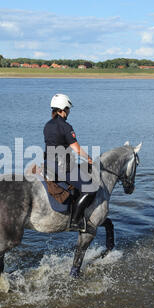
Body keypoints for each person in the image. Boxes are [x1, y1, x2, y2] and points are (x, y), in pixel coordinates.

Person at [43, 93, 97, 231]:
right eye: (68, 109)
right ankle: (75, 221)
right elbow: (76, 148)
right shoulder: (66, 126)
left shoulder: (47, 125)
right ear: (63, 109)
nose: (69, 112)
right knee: (90, 188)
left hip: (48, 163)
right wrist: (89, 158)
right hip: (62, 167)